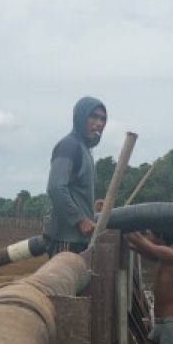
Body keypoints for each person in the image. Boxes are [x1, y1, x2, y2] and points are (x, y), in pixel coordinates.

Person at [44, 97, 107, 257]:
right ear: (80, 118)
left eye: (102, 119)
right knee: (63, 282)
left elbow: (76, 191)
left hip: (79, 239)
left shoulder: (84, 149)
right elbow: (56, 188)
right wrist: (80, 219)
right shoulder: (69, 145)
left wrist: (91, 207)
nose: (99, 123)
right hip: (65, 239)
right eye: (93, 116)